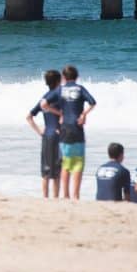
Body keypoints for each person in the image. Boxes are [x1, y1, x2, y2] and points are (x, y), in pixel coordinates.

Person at [40, 65, 95, 200]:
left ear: (64, 77)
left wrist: (59, 112)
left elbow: (43, 104)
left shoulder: (60, 89)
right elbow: (93, 102)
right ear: (77, 77)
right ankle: (75, 195)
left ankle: (65, 195)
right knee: (78, 162)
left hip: (64, 129)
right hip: (77, 129)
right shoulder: (80, 89)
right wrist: (83, 114)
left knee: (65, 163)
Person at [26, 69, 63, 199]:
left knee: (46, 170)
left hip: (46, 136)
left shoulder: (44, 98)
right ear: (59, 81)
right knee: (57, 172)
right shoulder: (59, 98)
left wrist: (39, 131)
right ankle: (56, 198)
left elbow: (29, 116)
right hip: (57, 136)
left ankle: (45, 198)